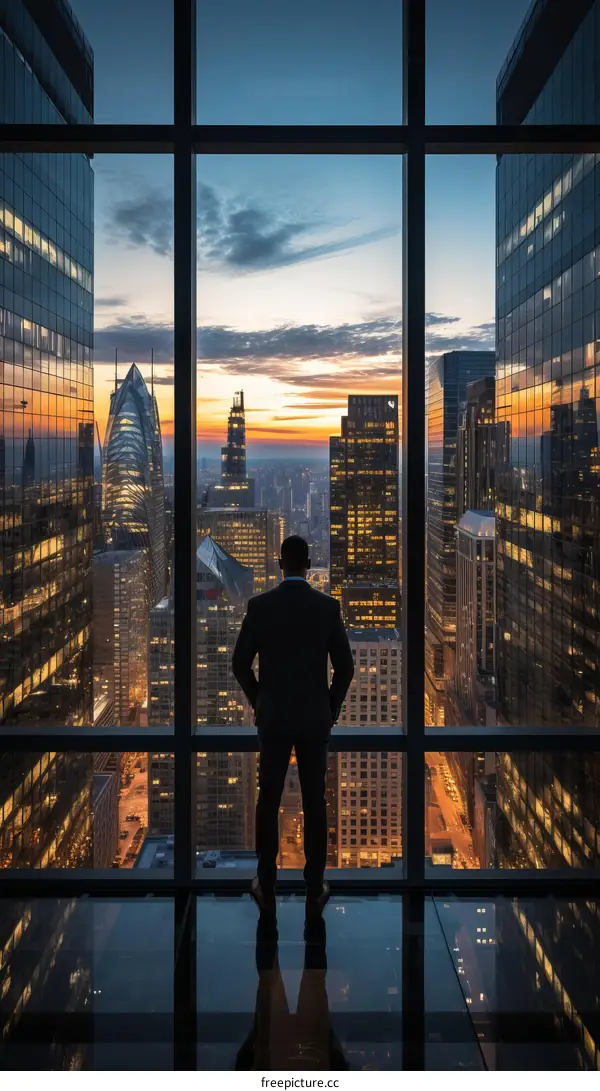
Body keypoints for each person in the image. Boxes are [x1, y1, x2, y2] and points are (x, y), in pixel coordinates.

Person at [232, 535, 354, 919]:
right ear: (309, 563)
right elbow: (346, 669)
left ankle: (265, 886)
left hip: (274, 721)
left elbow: (239, 664)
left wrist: (260, 701)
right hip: (313, 721)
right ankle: (314, 886)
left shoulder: (259, 607)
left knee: (268, 803)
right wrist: (329, 708)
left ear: (280, 563)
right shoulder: (327, 608)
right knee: (315, 803)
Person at [235, 916, 348, 1071]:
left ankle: (272, 915)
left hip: (277, 1052)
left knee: (273, 982)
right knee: (306, 981)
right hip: (305, 1052)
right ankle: (306, 915)